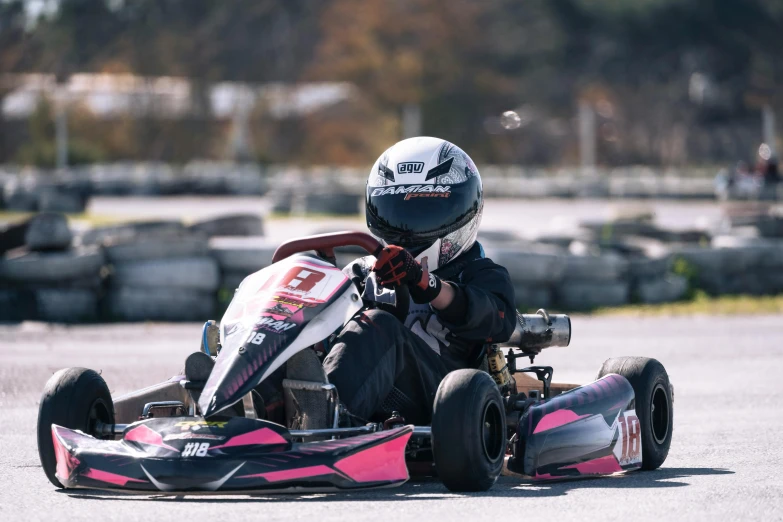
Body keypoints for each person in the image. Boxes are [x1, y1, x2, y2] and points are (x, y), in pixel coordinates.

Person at [322, 136, 516, 426]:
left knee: (378, 326)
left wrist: (426, 283)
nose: (406, 227)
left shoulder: (480, 273)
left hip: (445, 403)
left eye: (424, 211)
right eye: (396, 212)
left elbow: (497, 320)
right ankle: (253, 410)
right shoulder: (362, 274)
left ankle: (323, 423)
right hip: (369, 397)